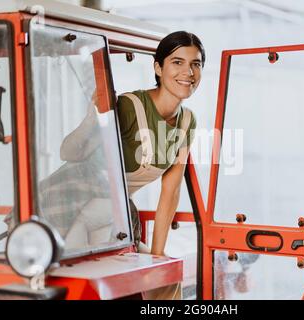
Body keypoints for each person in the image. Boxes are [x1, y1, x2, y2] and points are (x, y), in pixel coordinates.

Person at [60, 31, 205, 299]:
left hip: (114, 214)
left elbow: (170, 192)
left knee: (166, 279)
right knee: (93, 288)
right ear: (158, 68)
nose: (188, 72)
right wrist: (93, 118)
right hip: (70, 207)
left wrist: (159, 257)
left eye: (195, 64)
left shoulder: (187, 122)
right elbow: (68, 152)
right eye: (177, 62)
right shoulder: (129, 106)